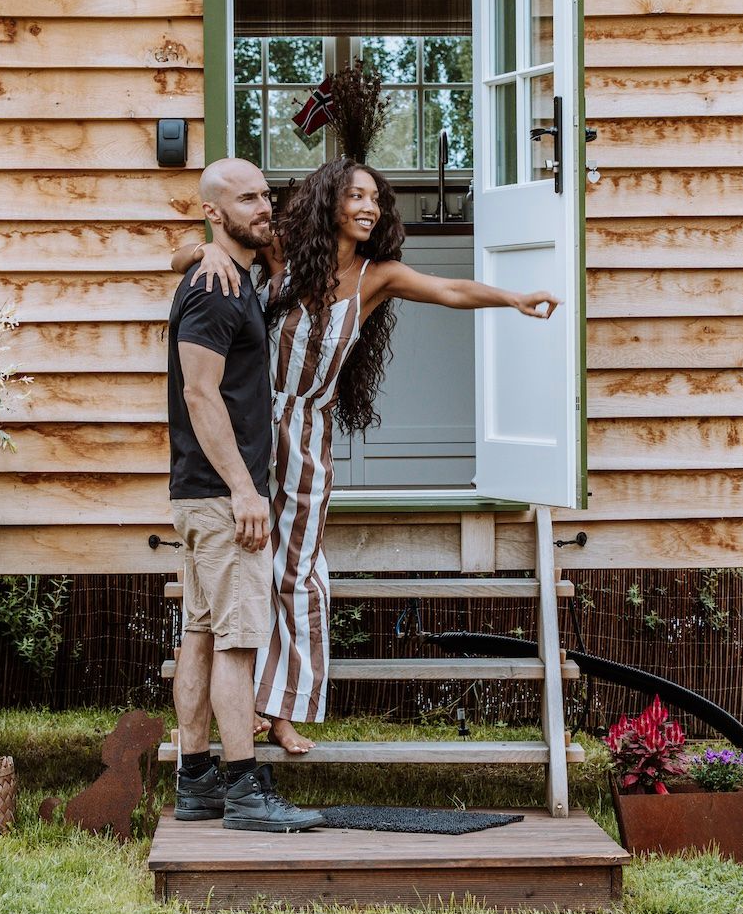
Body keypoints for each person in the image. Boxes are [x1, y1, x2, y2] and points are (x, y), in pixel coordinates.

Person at [174, 157, 558, 756]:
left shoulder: (377, 277)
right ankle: (243, 705)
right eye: (356, 195)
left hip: (303, 437)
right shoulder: (280, 252)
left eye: (376, 198)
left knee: (295, 574)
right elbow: (185, 254)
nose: (368, 206)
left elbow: (451, 289)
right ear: (330, 202)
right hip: (248, 430)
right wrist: (206, 253)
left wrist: (513, 298)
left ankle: (278, 709)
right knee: (250, 570)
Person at [164, 157, 322, 833]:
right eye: (248, 197)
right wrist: (243, 490)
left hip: (204, 495)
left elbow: (189, 251)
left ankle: (196, 782)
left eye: (266, 194)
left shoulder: (229, 272)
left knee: (200, 635)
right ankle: (246, 793)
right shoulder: (213, 288)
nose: (264, 206)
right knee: (235, 641)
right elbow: (199, 391)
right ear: (213, 210)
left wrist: (201, 248)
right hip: (222, 495)